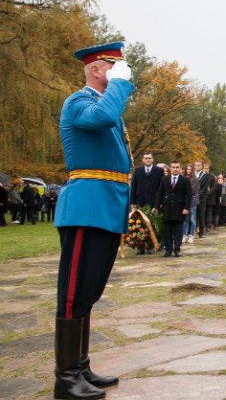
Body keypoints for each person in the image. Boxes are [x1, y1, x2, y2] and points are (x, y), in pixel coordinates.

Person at [53, 41, 133, 399]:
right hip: (86, 206)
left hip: (105, 207)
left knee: (89, 290)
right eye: (112, 67)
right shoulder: (79, 102)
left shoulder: (104, 105)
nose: (118, 73)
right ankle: (66, 378)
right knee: (73, 292)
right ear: (96, 70)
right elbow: (102, 118)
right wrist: (120, 85)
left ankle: (81, 366)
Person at [193, 162, 214, 237]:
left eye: (199, 165)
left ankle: (201, 232)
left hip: (201, 198)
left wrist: (198, 195)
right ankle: (193, 230)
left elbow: (205, 187)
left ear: (202, 166)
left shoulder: (206, 175)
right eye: (196, 165)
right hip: (193, 198)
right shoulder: (192, 174)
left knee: (201, 215)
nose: (197, 166)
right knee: (193, 215)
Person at [182, 164, 199, 243]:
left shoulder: (194, 179)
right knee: (185, 219)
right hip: (184, 202)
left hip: (192, 201)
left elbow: (193, 191)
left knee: (192, 219)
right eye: (187, 169)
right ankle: (184, 235)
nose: (188, 171)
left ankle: (191, 235)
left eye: (190, 169)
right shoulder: (182, 178)